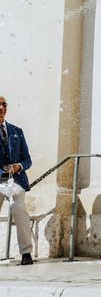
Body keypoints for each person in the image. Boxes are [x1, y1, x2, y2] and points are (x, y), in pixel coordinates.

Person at [0, 95, 34, 265]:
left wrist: (18, 166)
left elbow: (28, 159)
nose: (1, 108)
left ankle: (26, 253)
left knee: (19, 208)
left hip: (17, 179)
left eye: (4, 104)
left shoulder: (16, 131)